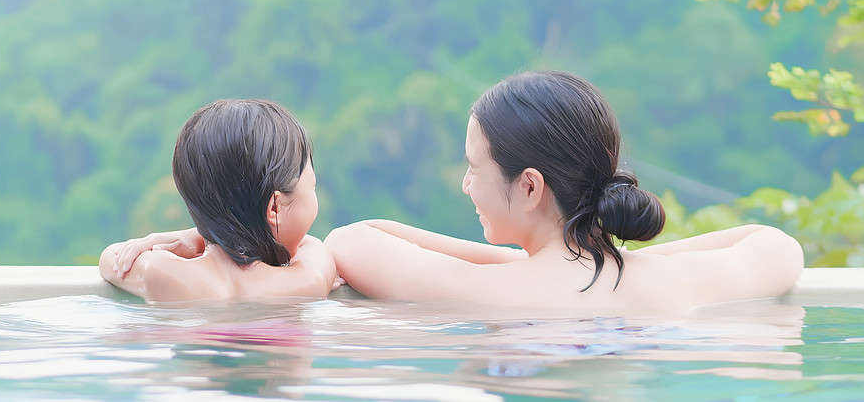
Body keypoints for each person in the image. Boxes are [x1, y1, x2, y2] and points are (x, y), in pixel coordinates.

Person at [324, 71, 804, 313]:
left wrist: (519, 263)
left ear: (530, 185)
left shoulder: (488, 292)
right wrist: (611, 257)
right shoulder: (676, 282)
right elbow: (776, 245)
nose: (465, 184)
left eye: (474, 168)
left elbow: (351, 239)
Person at [100, 99, 338, 302]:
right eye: (312, 187)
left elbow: (113, 259)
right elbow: (314, 247)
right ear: (275, 208)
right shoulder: (305, 282)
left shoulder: (169, 277)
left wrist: (195, 238)